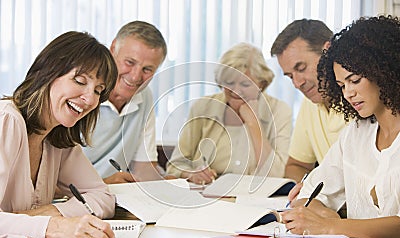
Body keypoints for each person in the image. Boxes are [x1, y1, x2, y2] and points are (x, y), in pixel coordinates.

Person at [281, 15, 400, 238]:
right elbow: (309, 193)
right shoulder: (355, 134)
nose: (348, 94)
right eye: (341, 85)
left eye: (354, 81)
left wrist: (330, 226)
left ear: (385, 71)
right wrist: (323, 216)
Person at [0, 31, 118, 238]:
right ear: (47, 73)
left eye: (98, 91)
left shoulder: (58, 138)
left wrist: (56, 210)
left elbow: (103, 197)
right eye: (80, 81)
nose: (90, 99)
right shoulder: (6, 120)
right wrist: (53, 226)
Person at [167, 43, 292, 184]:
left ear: (261, 83)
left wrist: (254, 123)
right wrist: (192, 174)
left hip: (253, 199)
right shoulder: (203, 107)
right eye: (229, 83)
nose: (236, 91)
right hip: (205, 195)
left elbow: (277, 175)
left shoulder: (279, 111)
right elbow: (175, 165)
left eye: (245, 84)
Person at [270, 19, 348, 201]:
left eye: (301, 68)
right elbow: (295, 166)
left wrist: (318, 190)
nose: (297, 83)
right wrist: (310, 187)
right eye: (290, 76)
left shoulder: (361, 100)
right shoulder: (310, 102)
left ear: (327, 51)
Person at [82, 21, 168, 184]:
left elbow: (143, 169)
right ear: (113, 48)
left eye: (147, 69)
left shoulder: (145, 97)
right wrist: (104, 183)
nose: (135, 77)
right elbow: (51, 179)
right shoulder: (83, 92)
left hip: (113, 197)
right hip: (72, 198)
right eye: (130, 62)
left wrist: (167, 184)